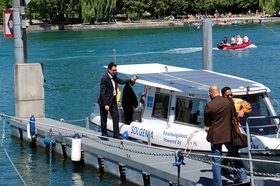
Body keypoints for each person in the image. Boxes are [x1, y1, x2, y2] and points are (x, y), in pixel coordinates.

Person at [204, 85, 248, 186]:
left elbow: (207, 124)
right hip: (228, 135)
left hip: (216, 137)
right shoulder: (229, 101)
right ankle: (243, 178)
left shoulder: (209, 106)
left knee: (216, 161)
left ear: (210, 93)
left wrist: (208, 127)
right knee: (235, 155)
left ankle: (217, 184)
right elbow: (233, 116)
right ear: (219, 92)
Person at [98, 62, 137, 139]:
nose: (115, 71)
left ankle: (116, 134)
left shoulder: (114, 77)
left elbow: (122, 81)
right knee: (104, 119)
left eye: (115, 70)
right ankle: (104, 134)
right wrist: (105, 104)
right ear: (108, 70)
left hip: (113, 100)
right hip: (105, 101)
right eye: (113, 70)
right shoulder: (104, 79)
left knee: (116, 117)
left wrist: (131, 80)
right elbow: (102, 93)